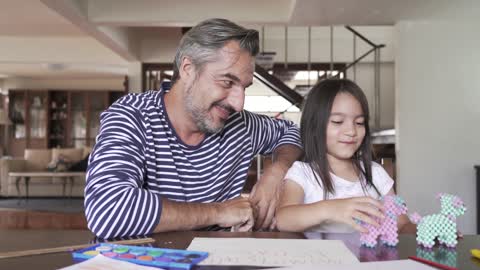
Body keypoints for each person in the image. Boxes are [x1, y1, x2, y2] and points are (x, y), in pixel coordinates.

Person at [85, 18, 302, 239]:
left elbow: (293, 134)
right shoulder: (133, 116)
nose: (238, 104)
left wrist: (276, 173)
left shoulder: (240, 125)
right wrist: (218, 212)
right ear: (188, 69)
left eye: (244, 87)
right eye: (227, 82)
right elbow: (108, 210)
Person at [276, 79, 415, 233]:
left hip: (369, 257)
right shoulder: (302, 173)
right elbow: (283, 219)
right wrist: (330, 209)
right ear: (315, 126)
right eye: (338, 121)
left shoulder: (376, 174)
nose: (351, 131)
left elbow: (401, 224)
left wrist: (427, 231)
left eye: (359, 122)